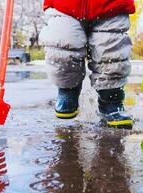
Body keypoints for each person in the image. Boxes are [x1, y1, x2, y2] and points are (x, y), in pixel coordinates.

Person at [40, 0, 135, 128]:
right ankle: (68, 89)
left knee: (110, 51)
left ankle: (111, 99)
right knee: (63, 44)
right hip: (65, 5)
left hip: (111, 5)